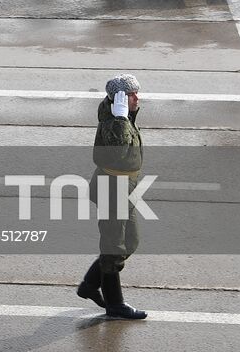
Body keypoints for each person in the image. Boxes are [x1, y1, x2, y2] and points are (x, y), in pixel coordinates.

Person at [75, 74, 149, 320]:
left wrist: (126, 115)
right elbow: (118, 152)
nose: (137, 98)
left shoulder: (119, 114)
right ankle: (115, 304)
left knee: (130, 242)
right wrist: (120, 119)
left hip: (123, 185)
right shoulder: (113, 121)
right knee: (114, 247)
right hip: (113, 187)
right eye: (131, 95)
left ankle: (90, 284)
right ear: (118, 98)